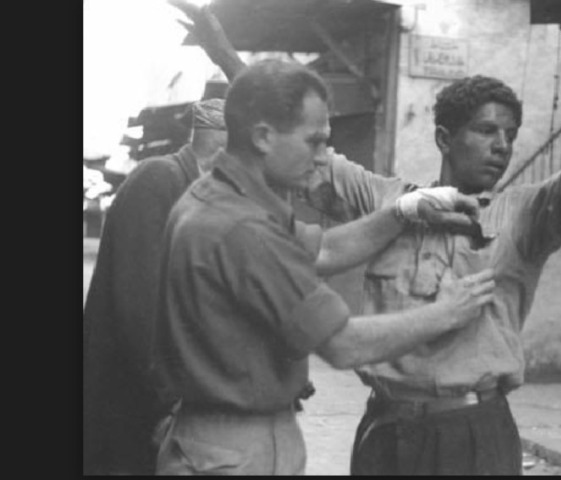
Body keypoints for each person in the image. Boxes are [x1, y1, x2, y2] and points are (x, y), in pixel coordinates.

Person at [169, 3, 561, 475]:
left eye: (509, 133)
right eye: (485, 131)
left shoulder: (525, 213)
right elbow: (295, 138)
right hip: (386, 433)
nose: (502, 145)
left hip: (474, 437)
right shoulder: (386, 200)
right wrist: (227, 54)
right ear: (445, 138)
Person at [150, 59, 498, 476]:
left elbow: (325, 251)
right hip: (235, 449)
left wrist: (404, 211)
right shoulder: (244, 228)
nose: (322, 158)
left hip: (209, 437)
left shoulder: (216, 198)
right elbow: (343, 344)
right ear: (263, 136)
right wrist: (445, 312)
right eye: (313, 142)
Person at [83, 98, 228, 475]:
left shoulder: (206, 194)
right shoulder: (157, 180)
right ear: (225, 149)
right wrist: (176, 401)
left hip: (162, 401)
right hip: (129, 402)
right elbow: (140, 308)